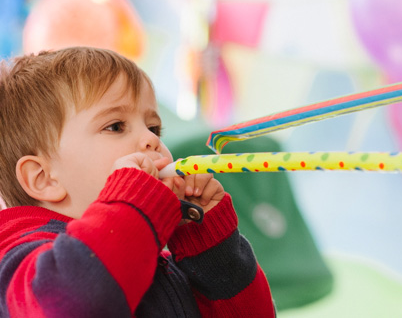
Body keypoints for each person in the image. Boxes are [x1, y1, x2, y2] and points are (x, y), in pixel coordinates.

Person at [0, 47, 276, 317]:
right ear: (43, 178)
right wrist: (133, 198)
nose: (152, 140)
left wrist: (208, 246)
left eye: (154, 127)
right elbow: (73, 304)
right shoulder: (17, 262)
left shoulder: (159, 267)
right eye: (116, 126)